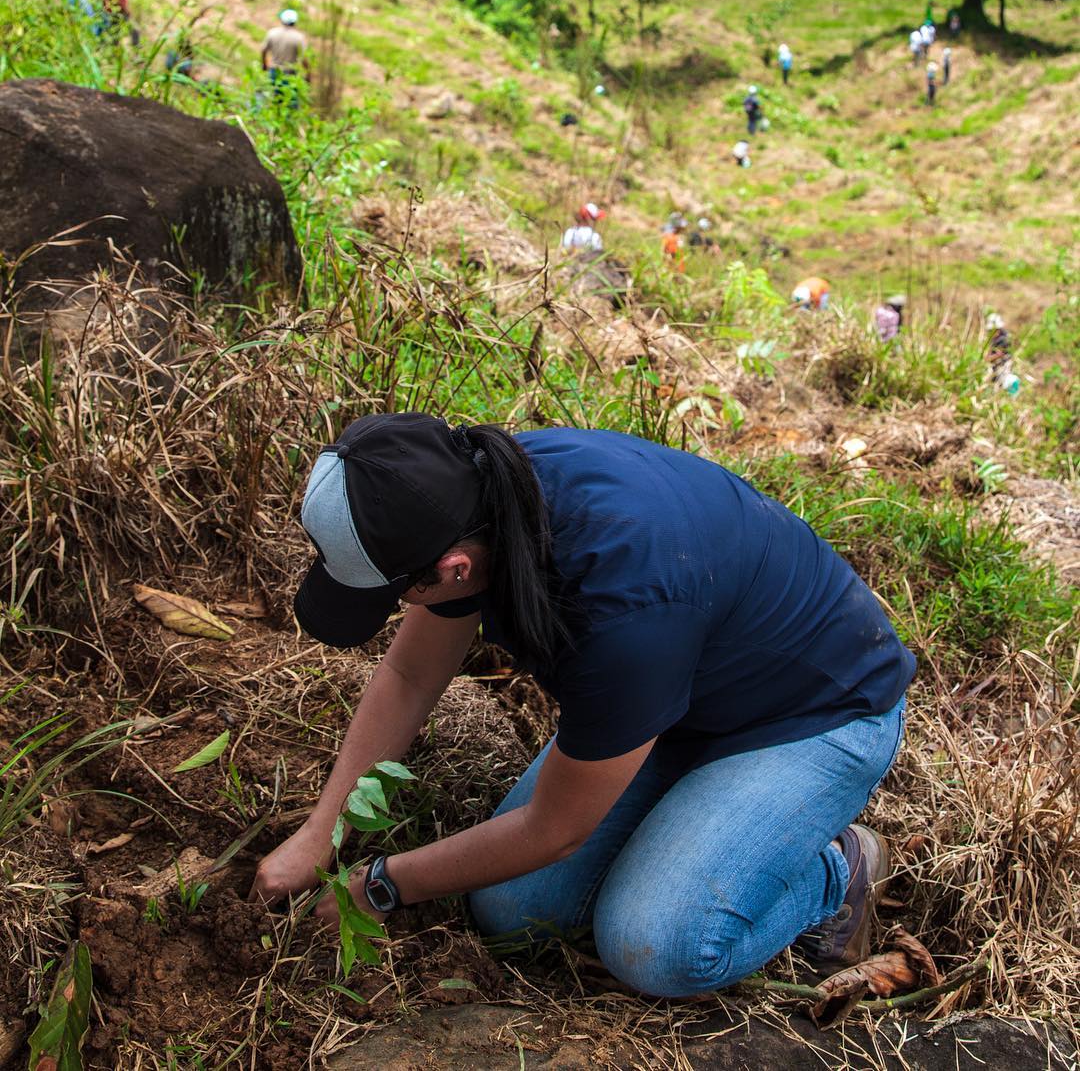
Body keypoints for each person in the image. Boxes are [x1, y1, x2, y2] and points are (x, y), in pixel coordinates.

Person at [250, 412, 914, 997]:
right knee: (513, 910)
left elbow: (554, 830)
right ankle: (698, 828)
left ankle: (838, 869)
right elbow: (410, 673)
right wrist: (322, 832)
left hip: (813, 717)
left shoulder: (621, 606)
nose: (397, 610)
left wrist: (378, 885)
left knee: (656, 946)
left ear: (452, 569)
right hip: (676, 704)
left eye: (394, 594)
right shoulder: (476, 494)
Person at [262, 8, 309, 103]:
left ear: (282, 20)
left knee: (274, 99)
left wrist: (264, 64)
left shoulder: (272, 33)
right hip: (290, 73)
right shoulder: (298, 38)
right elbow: (304, 59)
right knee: (290, 102)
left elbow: (263, 50)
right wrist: (308, 74)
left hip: (274, 71)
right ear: (295, 22)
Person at [985, 313, 1019, 394]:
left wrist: (988, 358)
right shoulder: (994, 339)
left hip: (1003, 366)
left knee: (1003, 383)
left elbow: (999, 354)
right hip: (995, 366)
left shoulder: (1003, 340)